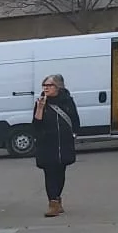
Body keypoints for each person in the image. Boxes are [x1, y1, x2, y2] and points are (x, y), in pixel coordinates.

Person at [33, 74, 78, 218]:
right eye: (44, 86)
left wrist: (74, 134)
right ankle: (52, 203)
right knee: (49, 173)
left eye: (49, 85)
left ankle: (57, 199)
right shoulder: (41, 102)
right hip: (47, 144)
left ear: (58, 87)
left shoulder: (67, 101)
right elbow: (36, 126)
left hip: (63, 143)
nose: (45, 88)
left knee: (60, 173)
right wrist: (40, 108)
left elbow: (75, 120)